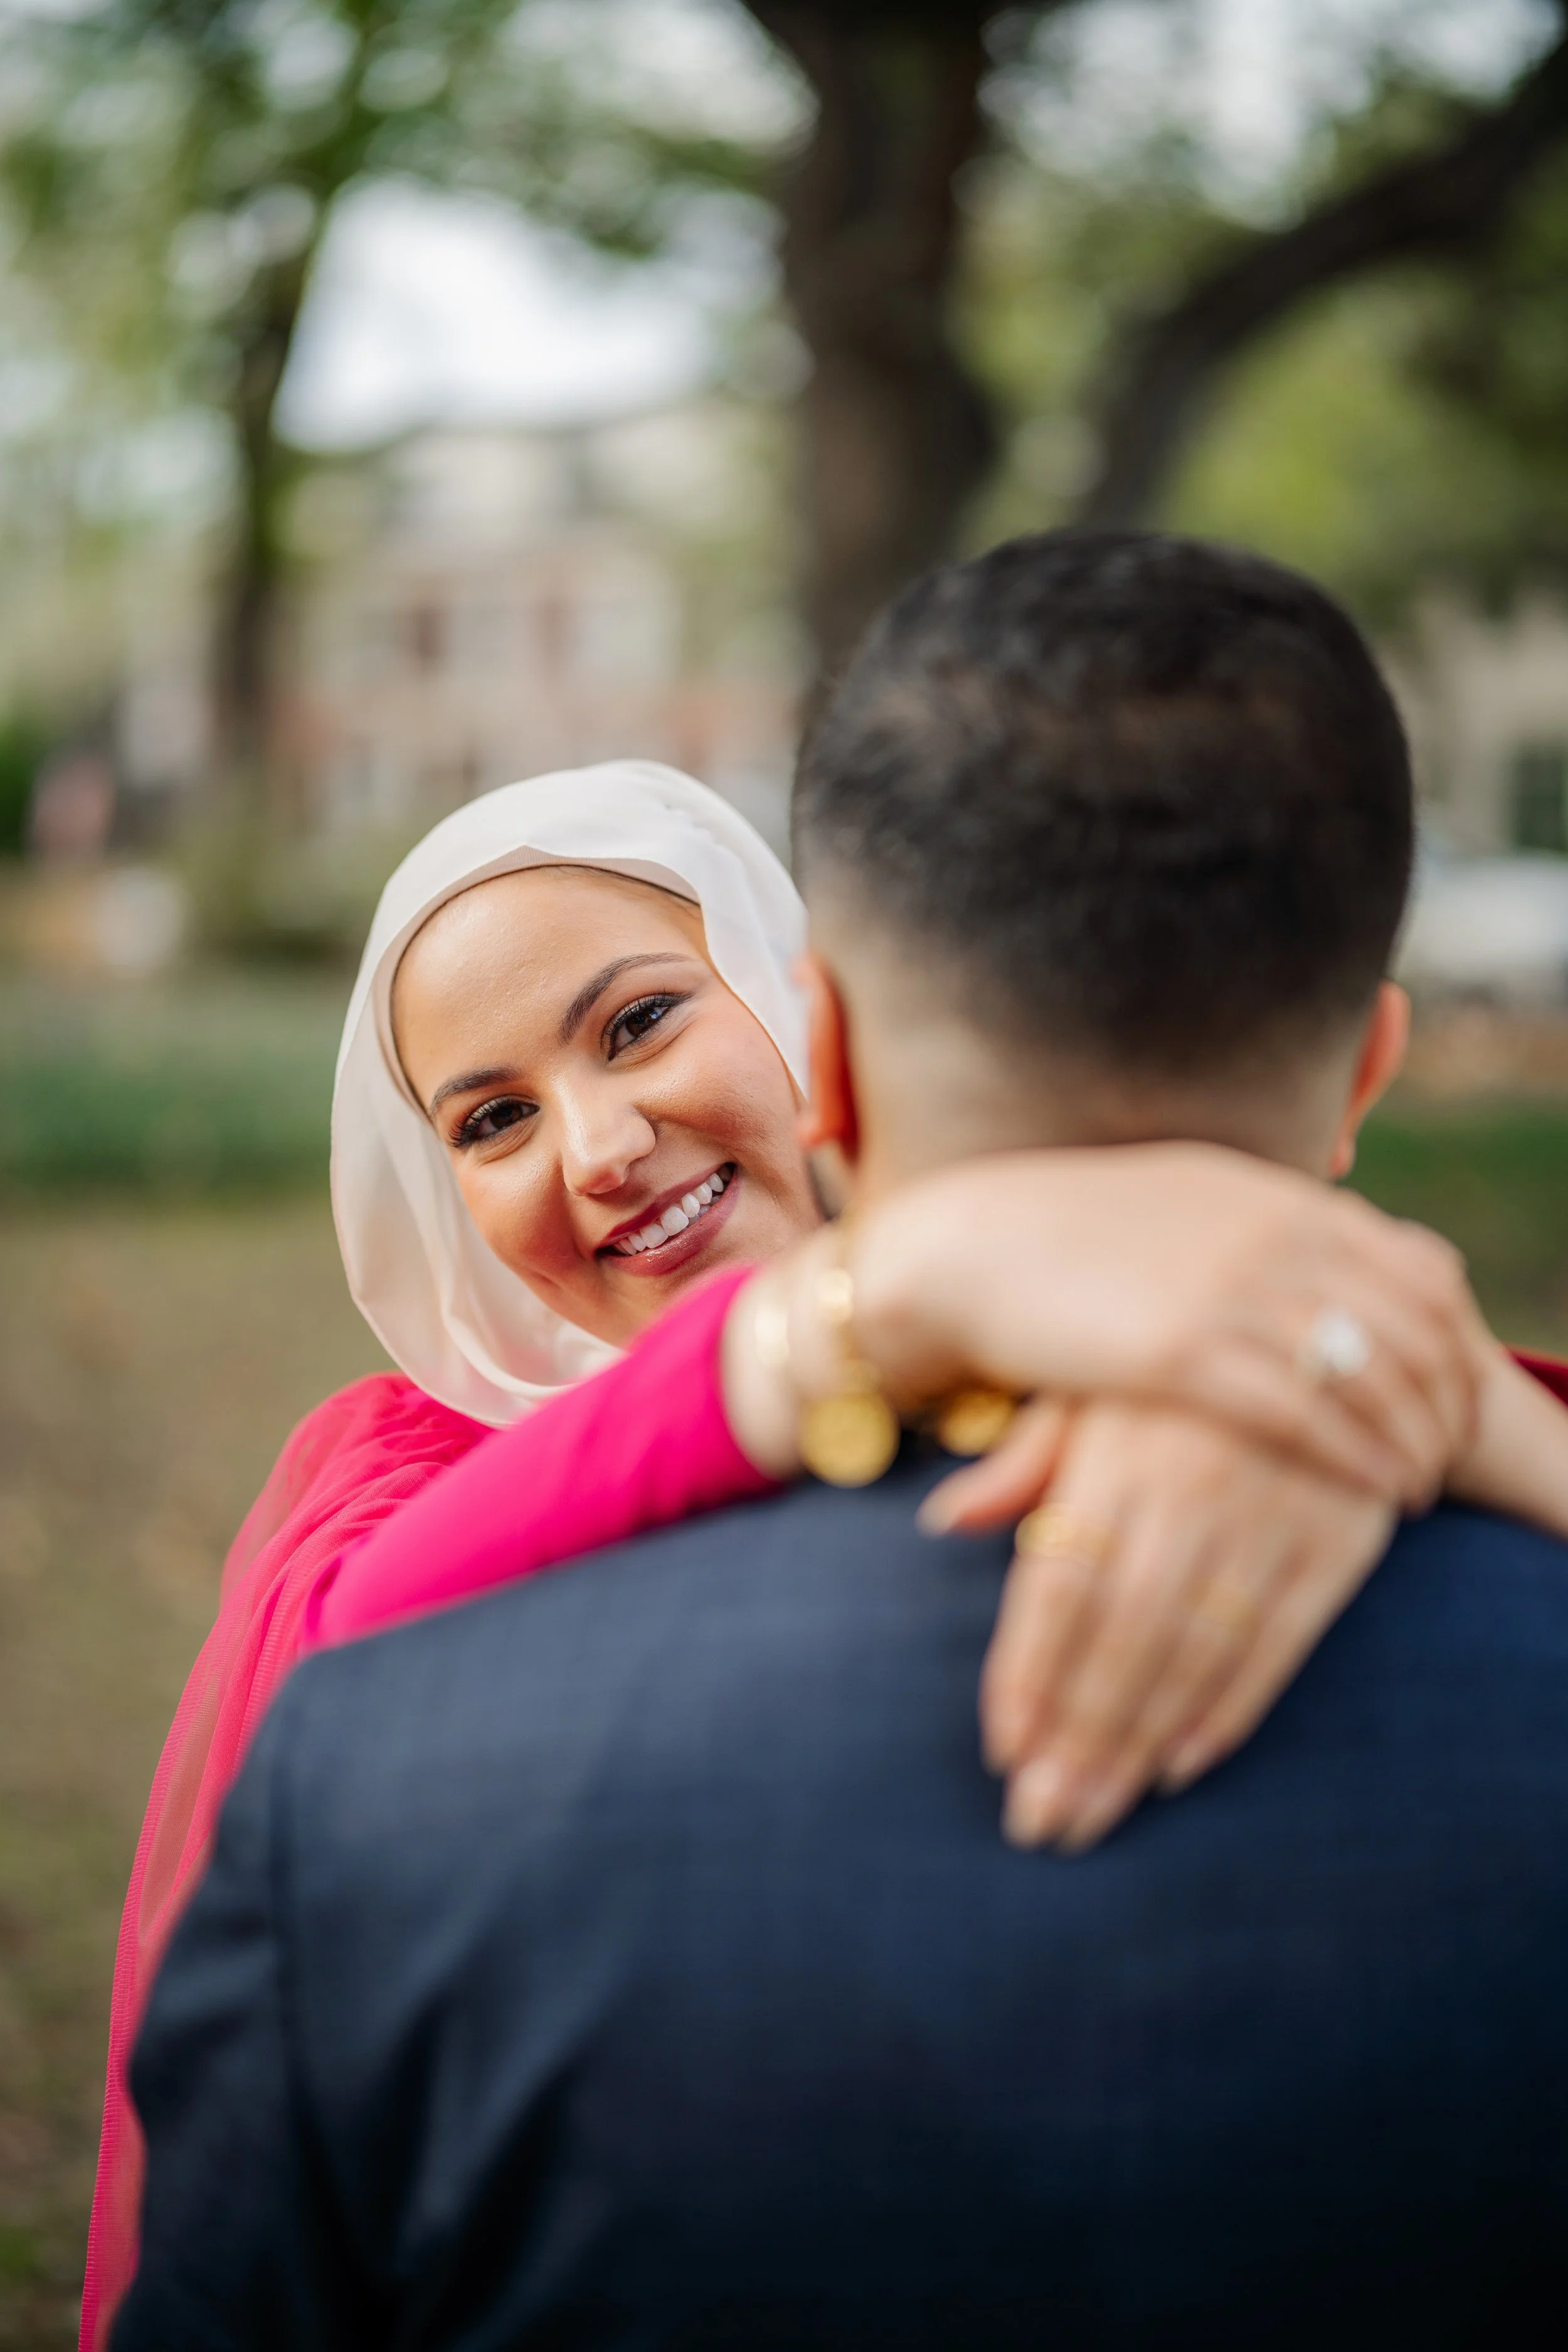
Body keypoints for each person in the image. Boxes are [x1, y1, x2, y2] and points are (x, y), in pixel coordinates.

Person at [117, 532, 1568, 2349]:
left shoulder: (1337, 1378)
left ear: (813, 1025)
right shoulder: (390, 1523)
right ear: (1365, 1067)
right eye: (487, 1119)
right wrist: (854, 1307)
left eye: (640, 1020)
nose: (596, 1152)